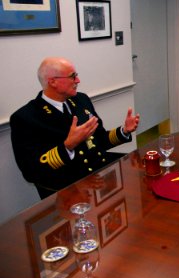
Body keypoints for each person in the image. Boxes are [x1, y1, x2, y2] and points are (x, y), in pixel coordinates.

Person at [10, 57, 140, 199]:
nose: (78, 81)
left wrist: (123, 131)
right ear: (52, 81)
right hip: (68, 190)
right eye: (73, 76)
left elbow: (99, 140)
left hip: (99, 175)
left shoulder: (81, 100)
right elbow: (31, 171)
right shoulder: (26, 117)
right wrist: (68, 146)